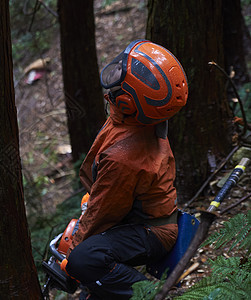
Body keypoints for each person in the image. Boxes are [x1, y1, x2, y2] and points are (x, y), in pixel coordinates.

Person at [64, 39, 188, 299]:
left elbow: (103, 211)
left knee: (84, 259)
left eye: (120, 80)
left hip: (153, 230)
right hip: (141, 219)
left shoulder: (125, 156)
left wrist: (71, 254)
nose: (112, 83)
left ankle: (153, 295)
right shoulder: (131, 119)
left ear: (130, 102)